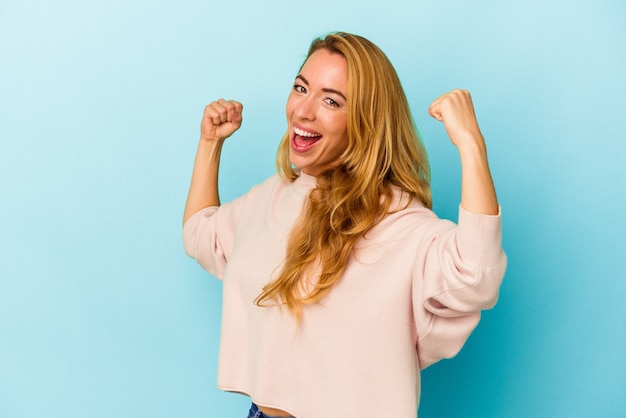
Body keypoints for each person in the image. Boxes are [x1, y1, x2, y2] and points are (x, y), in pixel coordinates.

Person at [183, 32, 506, 418]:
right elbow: (201, 234)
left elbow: (476, 276)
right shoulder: (272, 196)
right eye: (301, 88)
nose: (303, 111)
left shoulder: (400, 223)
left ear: (366, 121)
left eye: (331, 100)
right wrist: (209, 143)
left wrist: (471, 145)